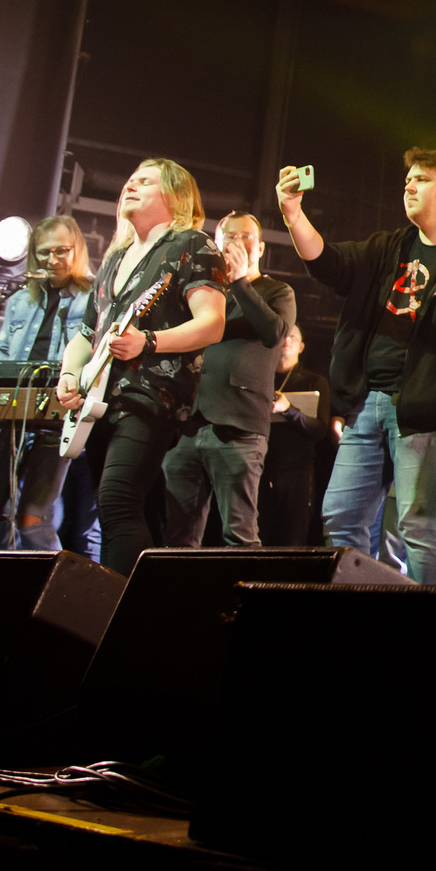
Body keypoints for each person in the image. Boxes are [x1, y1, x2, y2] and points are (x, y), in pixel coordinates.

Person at [281, 146, 436, 585]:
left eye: (421, 178)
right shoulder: (388, 246)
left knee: (419, 526)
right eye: (407, 178)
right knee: (340, 517)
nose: (408, 184)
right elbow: (327, 263)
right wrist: (293, 214)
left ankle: (422, 636)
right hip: (366, 403)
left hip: (425, 409)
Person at [53, 161, 229, 574]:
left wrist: (148, 341)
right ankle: (143, 604)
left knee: (117, 500)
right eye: (129, 180)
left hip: (150, 395)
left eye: (144, 181)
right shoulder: (115, 258)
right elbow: (86, 333)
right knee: (124, 508)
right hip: (97, 399)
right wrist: (67, 376)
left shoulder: (194, 245)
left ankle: (116, 610)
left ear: (175, 195)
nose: (130, 185)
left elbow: (212, 323)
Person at [162, 211, 295, 548]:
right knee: (179, 537)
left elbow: (275, 333)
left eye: (246, 236)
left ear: (261, 247)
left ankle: (242, 601)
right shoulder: (204, 294)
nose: (237, 242)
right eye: (229, 237)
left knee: (239, 534)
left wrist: (239, 282)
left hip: (239, 425)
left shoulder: (277, 291)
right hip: (188, 424)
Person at [0, 215, 94, 553]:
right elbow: (2, 351)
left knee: (34, 516)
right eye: (43, 253)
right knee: (3, 512)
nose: (52, 260)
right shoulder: (21, 300)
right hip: (13, 418)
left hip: (59, 418)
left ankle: (51, 590)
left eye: (61, 251)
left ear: (77, 250)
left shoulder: (93, 298)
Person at [257, 323, 334, 549]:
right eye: (282, 335)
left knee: (291, 541)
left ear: (301, 346)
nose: (286, 340)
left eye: (292, 336)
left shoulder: (315, 381)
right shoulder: (260, 378)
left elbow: (319, 429)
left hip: (296, 473)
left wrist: (288, 410)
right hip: (259, 468)